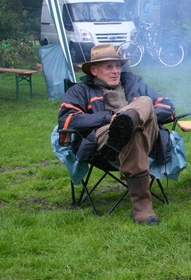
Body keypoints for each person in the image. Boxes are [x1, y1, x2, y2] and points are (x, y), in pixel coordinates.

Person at [58, 44, 176, 225]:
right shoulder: (80, 91)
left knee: (144, 103)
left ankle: (129, 120)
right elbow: (68, 120)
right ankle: (142, 209)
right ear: (94, 70)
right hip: (104, 141)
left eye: (117, 66)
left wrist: (145, 116)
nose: (115, 71)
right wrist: (110, 117)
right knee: (133, 132)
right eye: (109, 67)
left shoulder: (136, 87)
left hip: (148, 139)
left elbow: (168, 108)